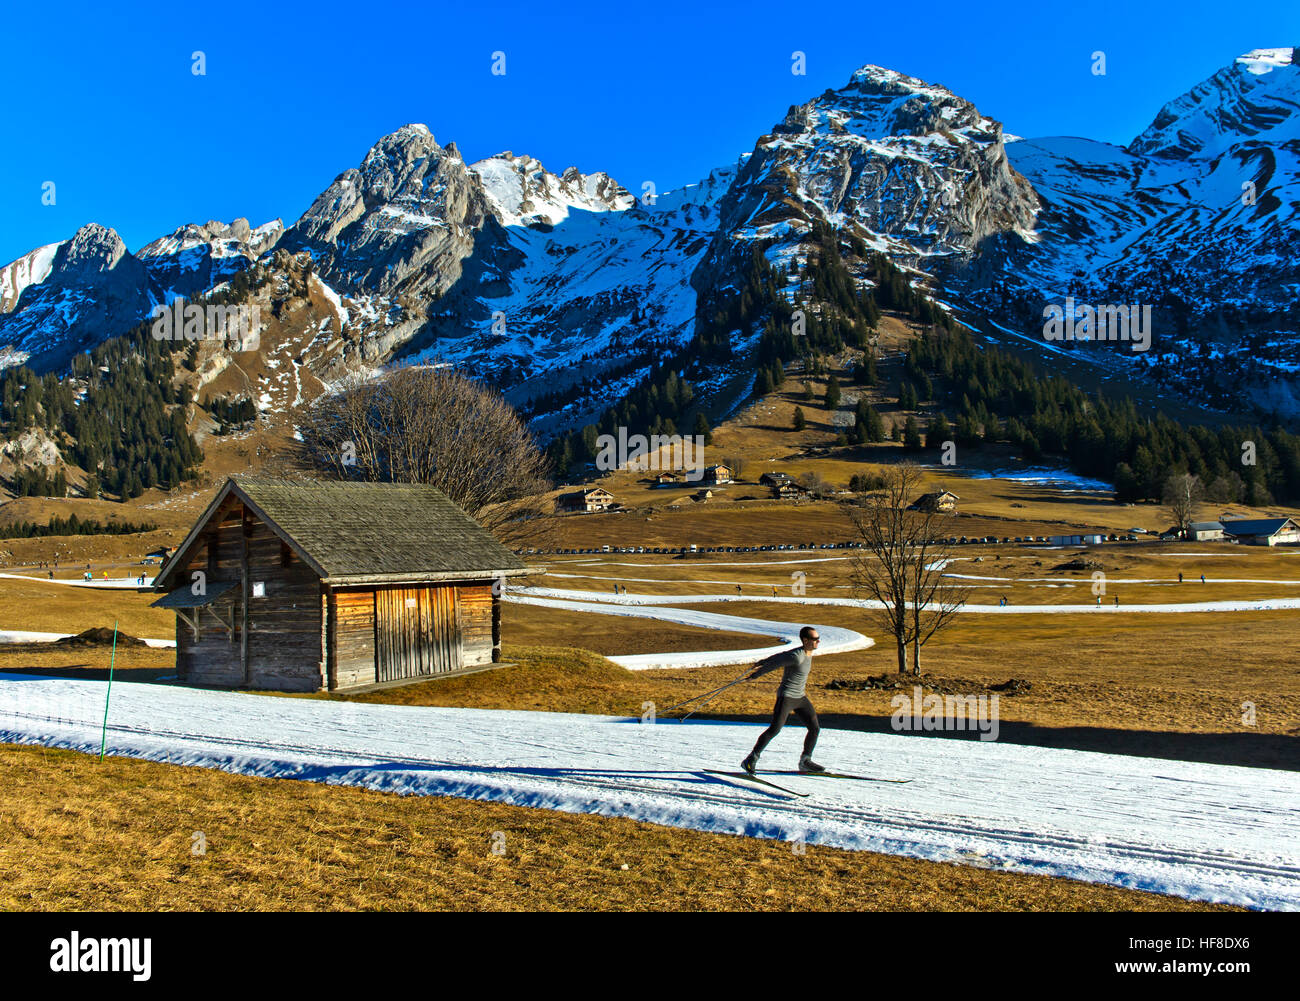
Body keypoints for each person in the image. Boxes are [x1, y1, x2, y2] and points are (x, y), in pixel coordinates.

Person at [740, 626, 824, 775]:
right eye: (815, 639)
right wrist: (756, 674)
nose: (818, 641)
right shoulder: (797, 656)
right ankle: (751, 759)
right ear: (805, 640)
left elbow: (781, 655)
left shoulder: (807, 652)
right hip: (787, 697)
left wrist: (762, 661)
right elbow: (776, 664)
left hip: (800, 697)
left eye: (818, 638)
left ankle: (805, 761)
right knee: (775, 729)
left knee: (814, 728)